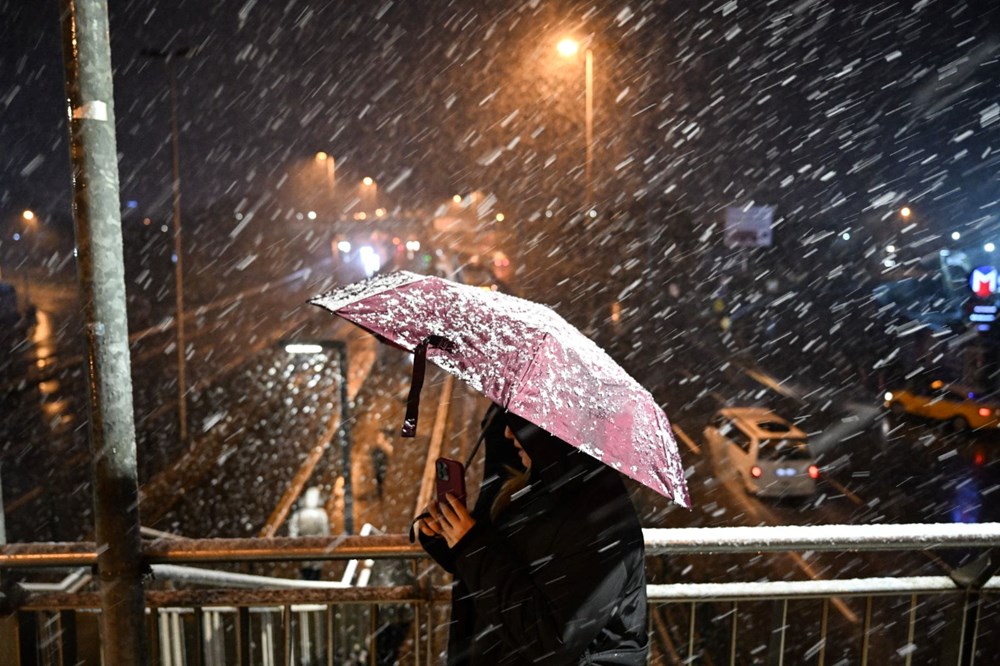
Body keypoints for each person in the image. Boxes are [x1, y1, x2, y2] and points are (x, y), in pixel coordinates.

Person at [417, 405, 649, 665]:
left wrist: (470, 544)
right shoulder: (539, 486)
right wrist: (450, 538)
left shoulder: (602, 518)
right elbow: (511, 564)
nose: (507, 434)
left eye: (518, 424)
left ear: (548, 430)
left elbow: (552, 640)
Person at [288, 486, 332, 580]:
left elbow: (326, 533)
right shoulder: (300, 514)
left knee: (313, 573)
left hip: (315, 548)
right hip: (305, 549)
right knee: (308, 572)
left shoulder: (320, 514)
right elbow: (293, 532)